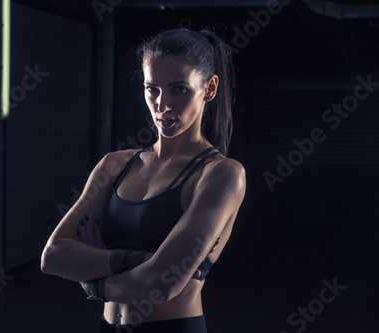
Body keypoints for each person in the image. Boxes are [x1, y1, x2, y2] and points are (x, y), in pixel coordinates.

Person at [41, 28, 246, 333]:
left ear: (209, 88)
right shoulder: (115, 165)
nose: (162, 105)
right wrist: (141, 260)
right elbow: (54, 256)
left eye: (179, 89)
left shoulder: (222, 174)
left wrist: (92, 282)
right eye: (153, 89)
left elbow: (161, 284)